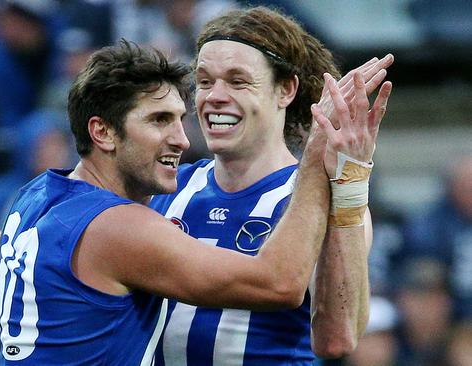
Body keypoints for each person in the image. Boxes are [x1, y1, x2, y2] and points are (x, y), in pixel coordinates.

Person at [0, 39, 382, 364]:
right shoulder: (120, 229)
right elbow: (279, 282)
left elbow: (2, 269)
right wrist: (321, 161)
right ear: (102, 132)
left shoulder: (39, 197)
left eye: (179, 117)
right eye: (158, 121)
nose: (181, 138)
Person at [148, 6, 394, 364]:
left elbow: (336, 339)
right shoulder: (166, 188)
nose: (214, 95)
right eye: (204, 81)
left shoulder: (327, 199)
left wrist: (349, 180)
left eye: (237, 81)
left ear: (286, 90)